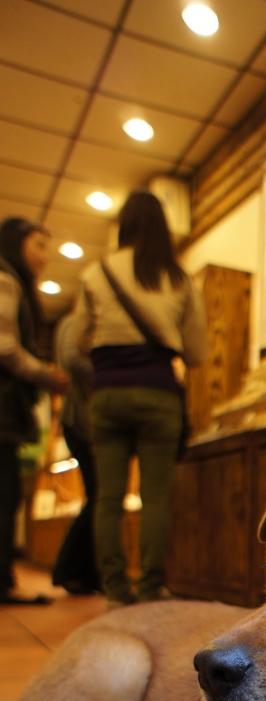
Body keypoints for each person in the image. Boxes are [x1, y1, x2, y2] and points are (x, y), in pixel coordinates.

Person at [71, 190, 206, 607]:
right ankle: (149, 587)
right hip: (158, 394)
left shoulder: (97, 274)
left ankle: (114, 589)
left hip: (108, 394)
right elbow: (197, 352)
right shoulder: (178, 278)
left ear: (124, 225)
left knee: (107, 498)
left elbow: (76, 341)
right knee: (155, 498)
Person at [0, 218, 68, 605]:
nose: (45, 256)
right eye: (39, 245)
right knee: (4, 493)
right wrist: (47, 375)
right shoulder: (6, 280)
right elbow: (5, 347)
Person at [51, 312, 99, 595]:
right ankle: (69, 568)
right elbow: (71, 360)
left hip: (85, 421)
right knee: (99, 496)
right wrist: (110, 374)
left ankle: (82, 571)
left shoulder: (77, 323)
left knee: (98, 496)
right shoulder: (76, 322)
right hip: (82, 422)